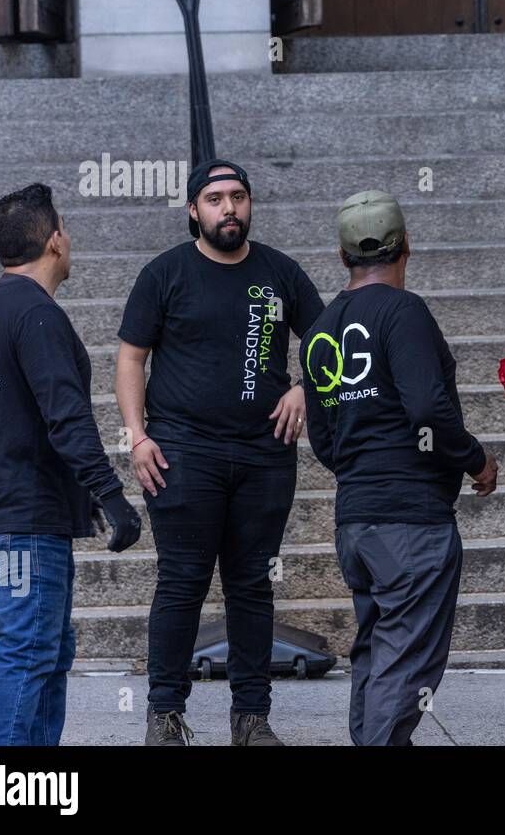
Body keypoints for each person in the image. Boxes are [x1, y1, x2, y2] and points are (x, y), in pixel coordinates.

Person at [115, 159, 324, 746]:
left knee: (252, 583)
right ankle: (164, 715)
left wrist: (305, 388)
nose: (228, 208)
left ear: (249, 205)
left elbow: (328, 338)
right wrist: (138, 437)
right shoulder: (165, 274)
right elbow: (131, 358)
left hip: (265, 453)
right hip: (182, 452)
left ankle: (251, 719)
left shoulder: (280, 271)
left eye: (237, 197)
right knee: (181, 583)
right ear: (193, 211)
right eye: (215, 199)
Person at [299, 191, 497, 746]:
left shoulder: (319, 329)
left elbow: (322, 440)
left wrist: (363, 469)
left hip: (357, 521)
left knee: (379, 651)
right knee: (405, 660)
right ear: (407, 244)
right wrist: (478, 461)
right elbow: (428, 410)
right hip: (410, 521)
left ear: (343, 258)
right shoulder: (403, 312)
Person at [0, 183, 143, 746]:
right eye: (65, 226)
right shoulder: (37, 315)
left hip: (1, 511)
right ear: (54, 239)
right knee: (28, 653)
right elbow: (66, 417)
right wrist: (113, 499)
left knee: (44, 651)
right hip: (26, 518)